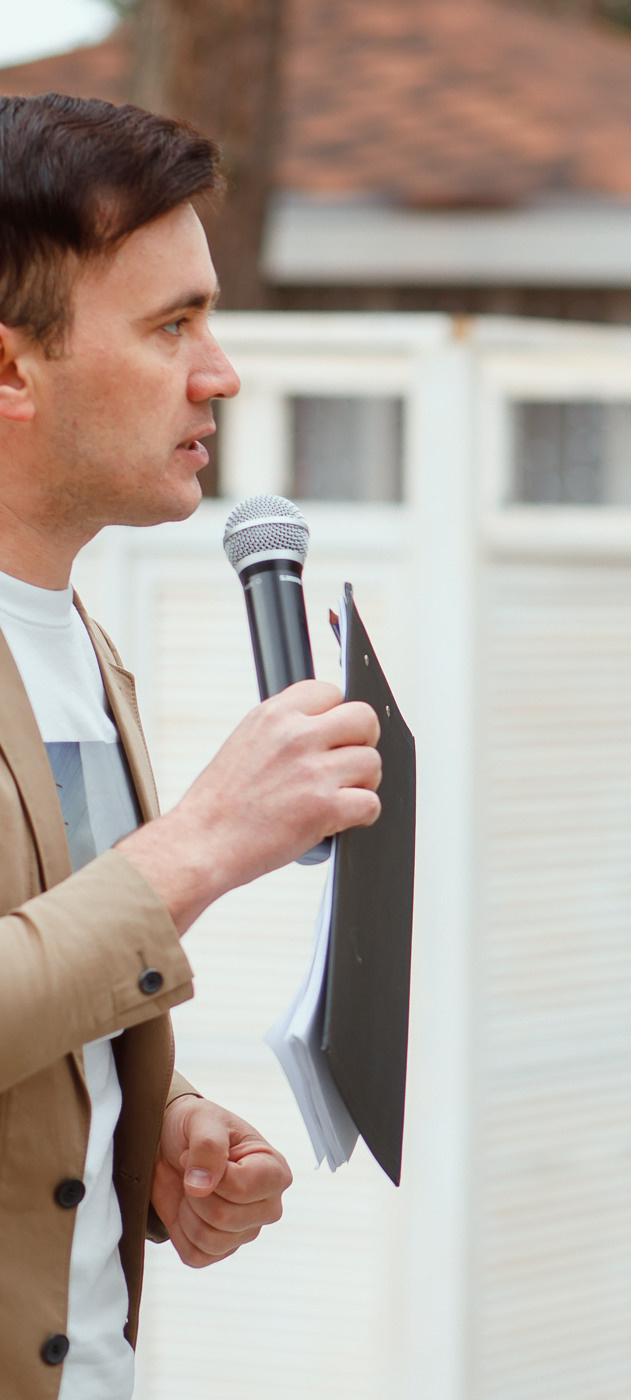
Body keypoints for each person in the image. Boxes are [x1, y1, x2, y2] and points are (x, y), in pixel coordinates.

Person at [0, 95, 384, 1400]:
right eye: (172, 326)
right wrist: (207, 843)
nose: (220, 371)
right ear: (11, 369)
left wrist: (147, 1132)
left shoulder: (83, 651)